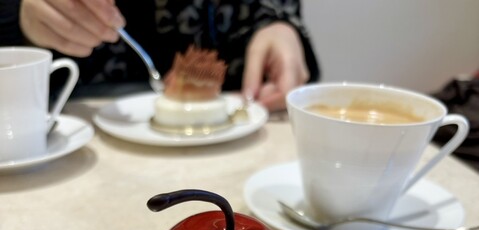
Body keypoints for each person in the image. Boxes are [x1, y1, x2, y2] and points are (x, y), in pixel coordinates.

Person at [0, 0, 320, 111]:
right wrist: (17, 19)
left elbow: (275, 10)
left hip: (238, 141)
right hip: (62, 140)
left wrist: (280, 26)